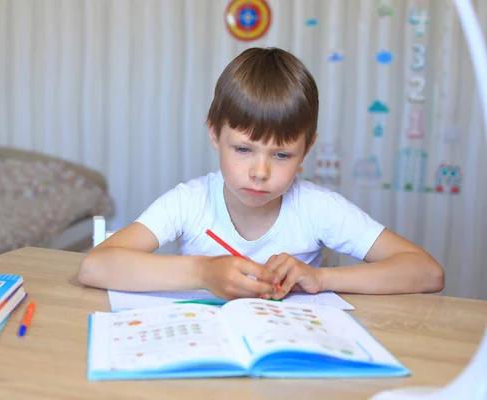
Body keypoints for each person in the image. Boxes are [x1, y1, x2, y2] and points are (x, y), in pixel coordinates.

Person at [78, 47, 444, 300]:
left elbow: (427, 272)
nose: (260, 172)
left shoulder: (317, 208)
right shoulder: (188, 203)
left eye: (282, 154)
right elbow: (95, 266)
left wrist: (321, 278)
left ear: (307, 149)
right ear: (214, 133)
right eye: (243, 149)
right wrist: (202, 273)